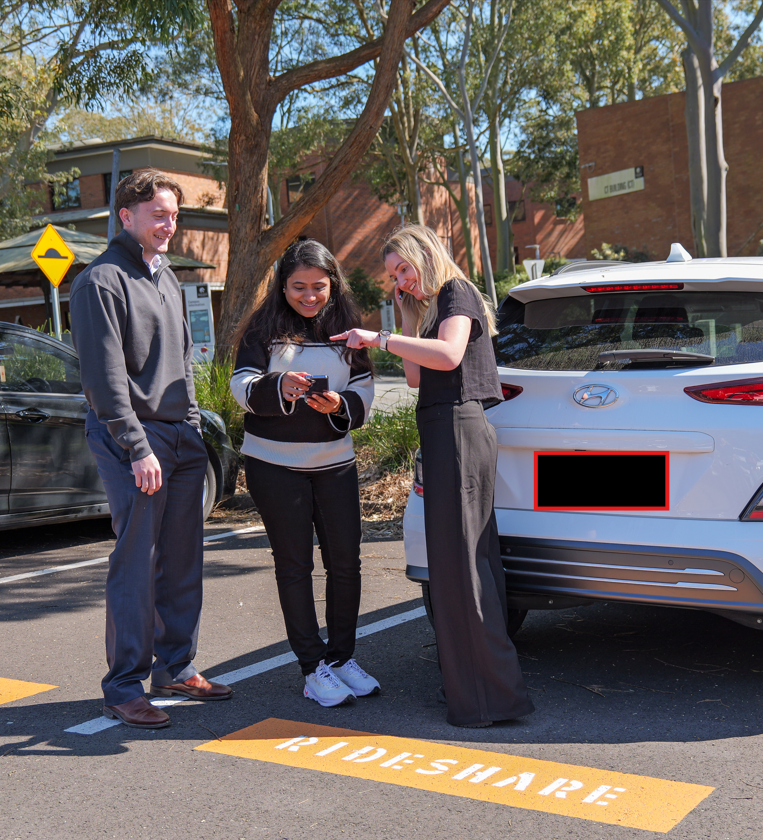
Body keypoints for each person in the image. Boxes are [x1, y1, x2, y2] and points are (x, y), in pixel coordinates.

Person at [332, 224, 533, 728]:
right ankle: (474, 692)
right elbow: (420, 375)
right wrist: (404, 313)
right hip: (444, 432)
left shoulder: (456, 291)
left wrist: (379, 338)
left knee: (463, 564)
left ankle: (488, 699)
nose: (401, 279)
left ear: (426, 254)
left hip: (461, 430)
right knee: (454, 564)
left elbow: (450, 356)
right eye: (394, 275)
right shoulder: (431, 307)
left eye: (404, 268)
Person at [70, 169, 232, 730]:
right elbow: (104, 376)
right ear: (127, 216)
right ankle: (123, 685)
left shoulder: (165, 277)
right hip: (131, 439)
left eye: (174, 216)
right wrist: (137, 446)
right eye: (159, 215)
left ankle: (175, 667)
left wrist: (191, 425)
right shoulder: (100, 282)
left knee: (183, 559)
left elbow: (183, 358)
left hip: (180, 435)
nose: (169, 225)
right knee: (137, 563)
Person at [229, 239, 379, 708]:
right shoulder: (262, 328)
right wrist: (280, 385)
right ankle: (312, 668)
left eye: (319, 286)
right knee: (295, 566)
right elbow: (241, 384)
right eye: (298, 287)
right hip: (274, 466)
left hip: (335, 464)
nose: (309, 296)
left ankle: (340, 658)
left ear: (333, 283)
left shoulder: (347, 328)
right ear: (283, 286)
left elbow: (364, 386)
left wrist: (341, 404)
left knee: (346, 562)